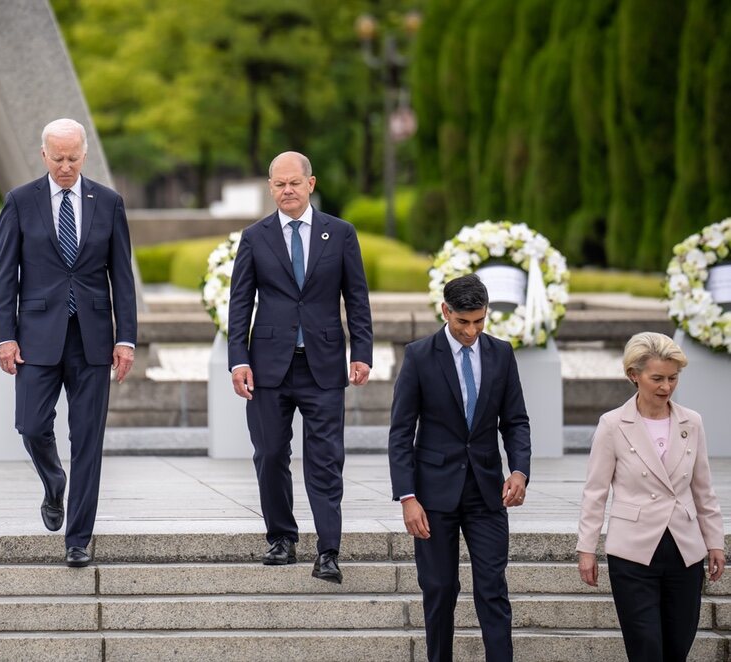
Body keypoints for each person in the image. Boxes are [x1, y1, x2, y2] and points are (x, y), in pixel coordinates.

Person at [0, 117, 137, 568]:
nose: (66, 166)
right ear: (43, 155)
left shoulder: (108, 203)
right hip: (36, 337)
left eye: (73, 157)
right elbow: (4, 276)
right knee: (31, 425)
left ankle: (79, 539)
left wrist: (126, 338)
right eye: (58, 158)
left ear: (84, 154)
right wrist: (4, 337)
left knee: (88, 440)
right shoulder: (20, 202)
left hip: (93, 340)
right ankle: (54, 482)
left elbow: (122, 278)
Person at [227, 151, 373, 584]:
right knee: (270, 454)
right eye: (278, 184)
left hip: (324, 366)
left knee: (325, 460)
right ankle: (281, 538)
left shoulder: (340, 234)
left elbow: (357, 298)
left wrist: (361, 351)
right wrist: (239, 359)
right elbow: (240, 304)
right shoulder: (255, 237)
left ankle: (328, 550)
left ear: (311, 183)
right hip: (268, 367)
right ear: (270, 188)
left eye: (294, 183)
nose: (286, 191)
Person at [388, 273, 531, 662]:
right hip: (432, 495)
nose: (471, 331)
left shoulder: (501, 353)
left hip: (487, 492)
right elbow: (401, 432)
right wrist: (407, 497)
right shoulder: (419, 355)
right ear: (445, 311)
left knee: (492, 588)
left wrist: (519, 471)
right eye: (463, 322)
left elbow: (515, 420)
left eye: (480, 321)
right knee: (438, 590)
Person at [577, 332, 725, 662]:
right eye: (657, 378)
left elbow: (703, 489)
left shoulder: (693, 422)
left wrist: (715, 542)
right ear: (634, 375)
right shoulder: (613, 424)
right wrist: (586, 549)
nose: (666, 387)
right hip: (632, 552)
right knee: (645, 648)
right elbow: (595, 493)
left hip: (684, 551)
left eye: (673, 378)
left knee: (677, 646)